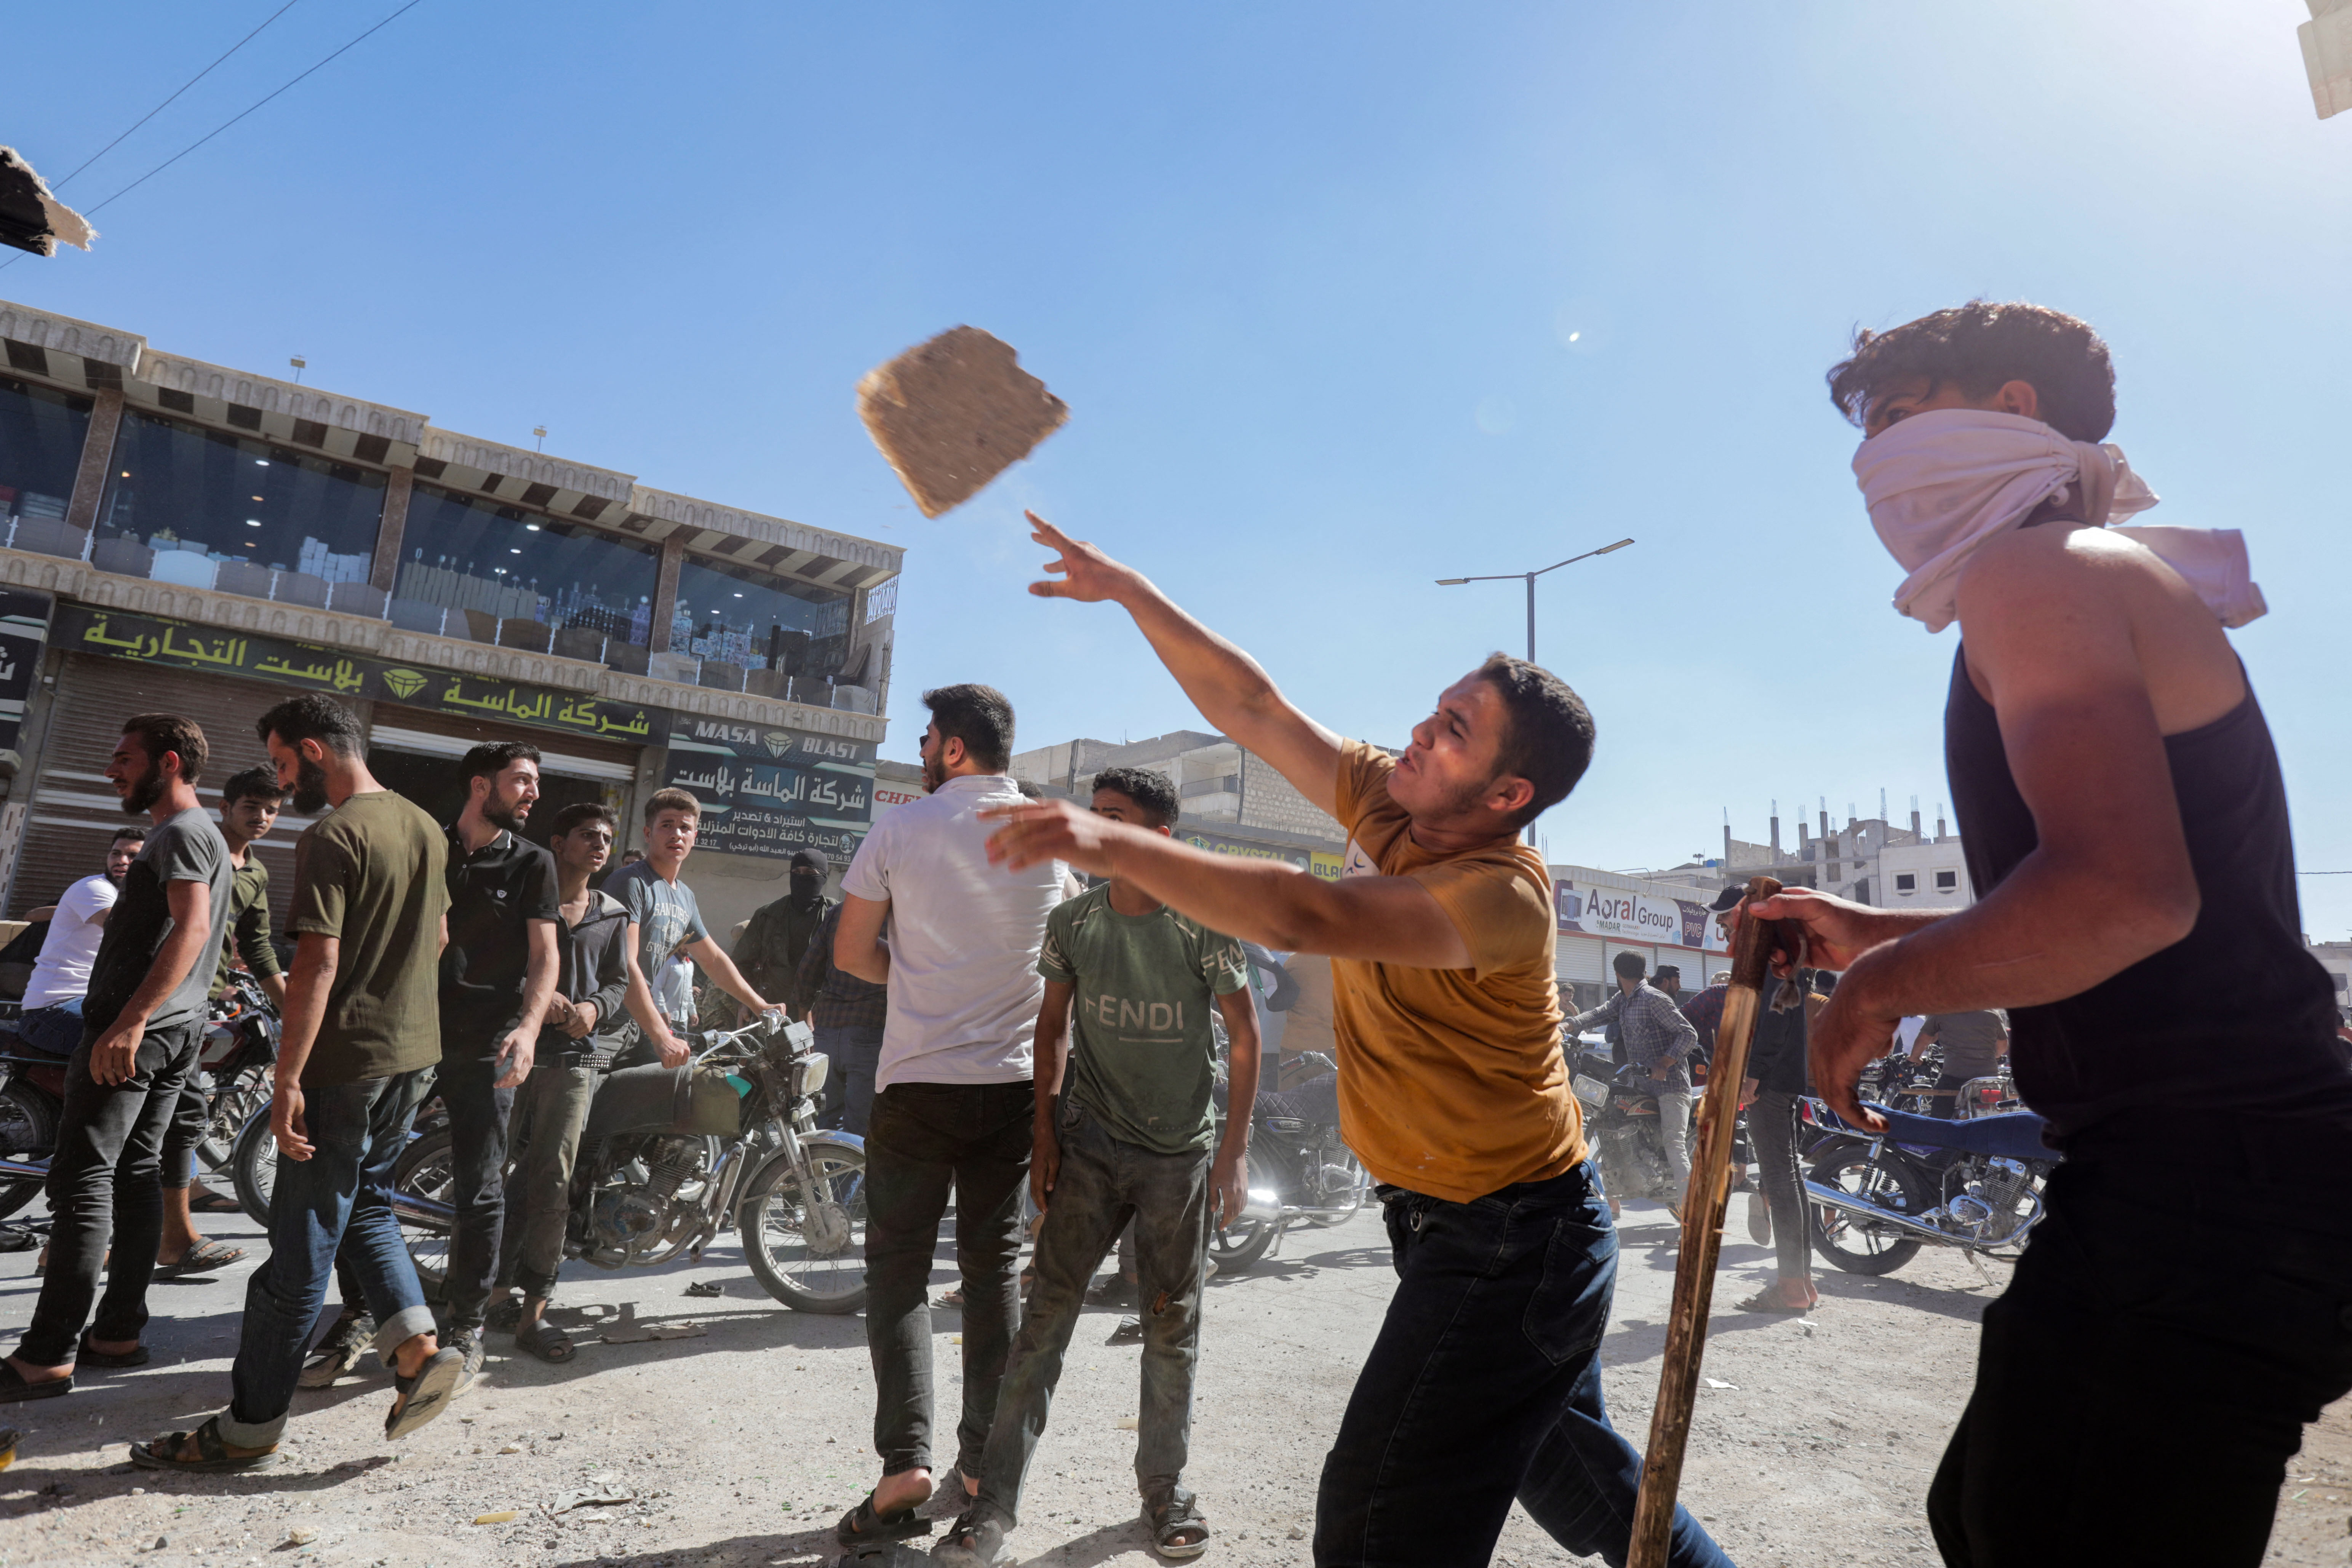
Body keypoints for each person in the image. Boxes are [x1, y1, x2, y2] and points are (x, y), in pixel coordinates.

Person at [981, 513, 1732, 1568]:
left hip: (1512, 1238)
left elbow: (1303, 919)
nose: (1420, 734)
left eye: (1454, 732)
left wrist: (1116, 844)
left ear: (1506, 796)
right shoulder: (1391, 802)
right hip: (1461, 1223)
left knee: (1378, 1519)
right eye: (1435, 711)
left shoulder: (1499, 895)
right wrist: (1131, 590)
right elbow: (1251, 705)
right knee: (1586, 1493)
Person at [1756, 301, 2352, 1565]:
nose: (1872, 467)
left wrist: (1877, 984)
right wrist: (1870, 924)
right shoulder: (2090, 571)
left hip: (2206, 1187)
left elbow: (2123, 897)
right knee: (1985, 1515)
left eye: (1894, 419)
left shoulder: (2040, 571)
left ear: (2011, 408)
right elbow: (2124, 900)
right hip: (2221, 1180)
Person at [937, 767, 1261, 1566]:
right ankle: (990, 1507)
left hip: (1178, 1159)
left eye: (1115, 818)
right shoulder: (1076, 921)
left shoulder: (1202, 923)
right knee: (1044, 1321)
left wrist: (1234, 1153)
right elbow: (1052, 1028)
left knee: (1169, 1326)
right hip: (1088, 1149)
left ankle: (1165, 1492)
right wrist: (1046, 1135)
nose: (1097, 830)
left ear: (1159, 837)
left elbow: (1247, 1039)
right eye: (1095, 816)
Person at [133, 693, 462, 1469]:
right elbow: (440, 935)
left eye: (284, 763)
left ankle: (249, 1428)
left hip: (345, 1064)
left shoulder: (335, 833)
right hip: (410, 1058)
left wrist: (287, 1081)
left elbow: (317, 961)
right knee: (368, 1205)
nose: (282, 781)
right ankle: (416, 1350)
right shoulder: (423, 825)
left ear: (314, 751)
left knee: (299, 1247)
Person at [828, 685, 1067, 1553]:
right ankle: (978, 1466)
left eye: (929, 738)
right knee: (993, 1267)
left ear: (955, 749)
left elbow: (853, 950)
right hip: (1011, 1090)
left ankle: (905, 1465)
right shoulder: (1051, 837)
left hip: (918, 1082)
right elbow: (1060, 969)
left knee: (896, 1268)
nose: (924, 749)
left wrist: (922, 977)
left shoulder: (901, 827)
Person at [1, 716, 233, 1406]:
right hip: (171, 1030)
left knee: (81, 1179)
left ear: (167, 761)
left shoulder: (183, 832)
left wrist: (129, 1020)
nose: (112, 770)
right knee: (135, 1173)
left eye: (124, 758)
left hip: (139, 1031)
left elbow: (191, 929)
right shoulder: (198, 835)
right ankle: (118, 1332)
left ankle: (45, 1357)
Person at [488, 801, 632, 1364]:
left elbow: (620, 981)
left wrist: (594, 1009)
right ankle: (480, 1302)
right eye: (586, 835)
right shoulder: (526, 899)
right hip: (513, 1051)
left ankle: (534, 1314)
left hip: (576, 1060)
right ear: (559, 842)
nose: (598, 844)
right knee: (488, 1178)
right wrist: (537, 997)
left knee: (553, 1182)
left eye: (605, 837)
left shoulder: (613, 913)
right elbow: (496, 965)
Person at [437, 742, 560, 1391]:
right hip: (414, 1031)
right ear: (482, 786)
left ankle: (466, 1325)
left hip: (488, 1039)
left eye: (535, 782)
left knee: (481, 1186)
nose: (533, 792)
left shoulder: (534, 862)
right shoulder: (432, 845)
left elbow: (545, 957)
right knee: (365, 1172)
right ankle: (363, 1311)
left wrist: (530, 1028)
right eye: (522, 781)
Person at [155, 765, 289, 1279]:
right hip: (161, 1001)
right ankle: (169, 1236)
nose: (261, 817)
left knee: (178, 1116)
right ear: (225, 807)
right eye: (251, 807)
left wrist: (290, 1003)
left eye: (271, 810)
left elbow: (257, 947)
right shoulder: (197, 846)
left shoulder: (255, 873)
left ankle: (168, 1234)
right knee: (168, 1117)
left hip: (198, 1005)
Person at [607, 789, 782, 1068]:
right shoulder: (631, 882)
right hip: (604, 1024)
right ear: (648, 833)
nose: (676, 834)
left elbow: (712, 959)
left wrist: (761, 1006)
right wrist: (661, 1034)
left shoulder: (684, 896)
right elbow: (625, 963)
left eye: (685, 827)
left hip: (638, 1024)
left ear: (694, 838)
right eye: (666, 825)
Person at [1565, 952, 1702, 1217]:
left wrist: (1664, 1062)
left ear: (1617, 974)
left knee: (1673, 1142)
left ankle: (1692, 1216)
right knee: (1609, 1119)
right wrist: (1568, 1024)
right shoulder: (1624, 999)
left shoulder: (1653, 998)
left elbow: (1688, 1034)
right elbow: (1598, 1014)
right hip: (1638, 1084)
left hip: (1671, 1086)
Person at [13, 829, 143, 1058]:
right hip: (53, 1010)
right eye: (116, 853)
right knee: (132, 1045)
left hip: (90, 1002)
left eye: (132, 856)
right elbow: (125, 936)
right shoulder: (94, 888)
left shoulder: (137, 898)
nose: (122, 860)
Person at [794, 891, 888, 1135]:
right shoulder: (897, 917)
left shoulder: (838, 913)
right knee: (861, 1125)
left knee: (825, 1121)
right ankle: (852, 1174)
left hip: (826, 1032)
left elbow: (806, 972)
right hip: (871, 1034)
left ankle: (827, 1173)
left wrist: (806, 1024)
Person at [736, 848, 832, 1017]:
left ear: (823, 877)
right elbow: (742, 963)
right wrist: (747, 1002)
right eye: (796, 872)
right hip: (773, 1011)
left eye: (809, 872)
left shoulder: (836, 916)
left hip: (822, 1014)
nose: (801, 877)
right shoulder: (768, 915)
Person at [1908, 1009, 2008, 1118]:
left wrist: (1914, 1058)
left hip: (1955, 1076)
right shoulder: (1992, 1013)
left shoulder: (1942, 1011)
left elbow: (1924, 1039)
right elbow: (2003, 1045)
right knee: (1997, 1114)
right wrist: (1996, 1056)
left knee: (1939, 1116)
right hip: (1988, 1078)